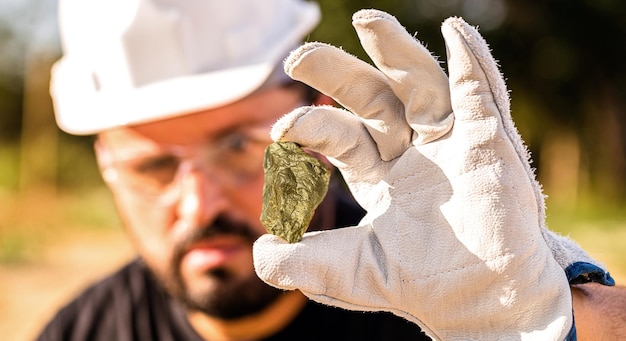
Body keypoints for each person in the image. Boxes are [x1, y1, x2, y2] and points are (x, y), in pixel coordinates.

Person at [37, 0, 625, 340]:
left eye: (240, 146)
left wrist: (550, 316)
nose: (200, 204)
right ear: (107, 165)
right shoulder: (80, 332)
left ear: (319, 124)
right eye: (154, 165)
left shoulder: (433, 295)